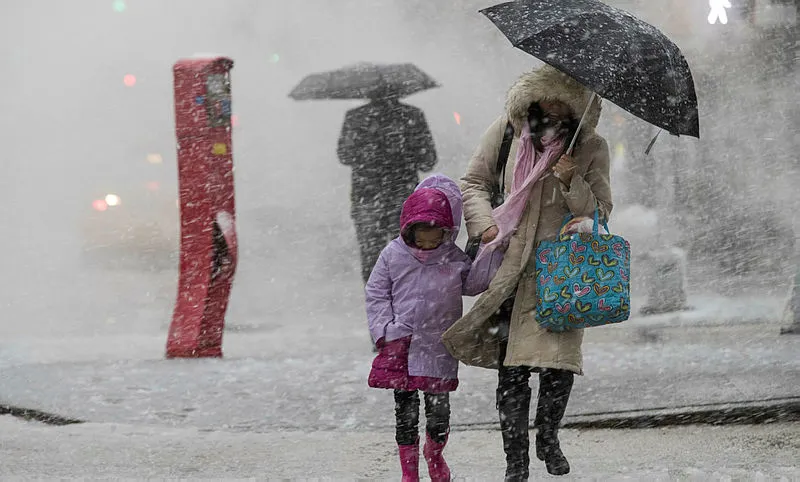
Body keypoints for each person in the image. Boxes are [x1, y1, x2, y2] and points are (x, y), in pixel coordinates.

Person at [442, 65, 612, 479]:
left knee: (558, 367)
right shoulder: (506, 132)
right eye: (544, 103)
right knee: (512, 370)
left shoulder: (590, 146)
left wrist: (572, 180)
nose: (551, 111)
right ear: (531, 102)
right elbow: (474, 183)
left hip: (562, 273)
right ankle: (515, 463)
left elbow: (600, 214)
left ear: (574, 106)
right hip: (510, 271)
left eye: (561, 104)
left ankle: (548, 437)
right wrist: (484, 224)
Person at [365, 174, 483, 482]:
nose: (430, 239)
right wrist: (384, 329)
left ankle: (434, 454)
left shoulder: (453, 258)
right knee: (405, 412)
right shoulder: (393, 255)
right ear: (410, 228)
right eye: (423, 231)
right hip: (400, 344)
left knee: (438, 413)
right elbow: (376, 292)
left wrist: (489, 252)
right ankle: (409, 471)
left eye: (437, 232)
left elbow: (473, 284)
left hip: (438, 346)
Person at [337, 92, 437, 284]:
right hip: (403, 198)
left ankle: (379, 307)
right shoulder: (412, 116)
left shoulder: (356, 118)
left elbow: (345, 155)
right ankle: (403, 306)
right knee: (406, 258)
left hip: (367, 198)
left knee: (373, 262)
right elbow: (428, 160)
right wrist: (405, 150)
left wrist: (369, 150)